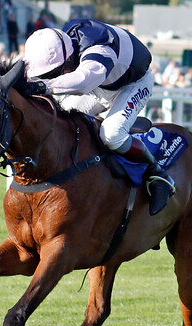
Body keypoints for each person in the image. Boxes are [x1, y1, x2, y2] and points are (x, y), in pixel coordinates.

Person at [21, 18, 174, 215]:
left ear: (67, 59)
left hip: (133, 84)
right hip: (101, 85)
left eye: (54, 74)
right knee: (61, 120)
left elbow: (84, 80)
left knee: (111, 134)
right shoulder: (58, 42)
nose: (52, 78)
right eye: (48, 76)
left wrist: (44, 86)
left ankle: (157, 172)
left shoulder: (98, 48)